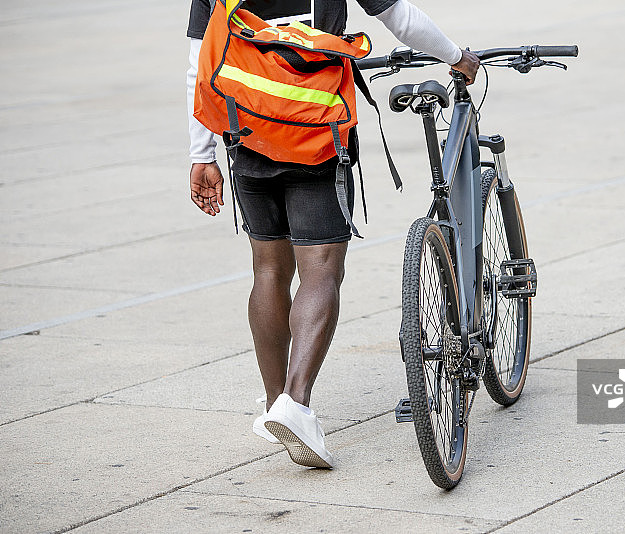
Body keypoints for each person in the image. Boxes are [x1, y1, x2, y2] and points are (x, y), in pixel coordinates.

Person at [186, 0, 479, 468]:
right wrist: (455, 55)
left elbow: (201, 60)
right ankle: (296, 404)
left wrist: (201, 154)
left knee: (268, 270)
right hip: (315, 136)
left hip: (247, 133)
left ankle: (273, 403)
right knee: (320, 271)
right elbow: (400, 18)